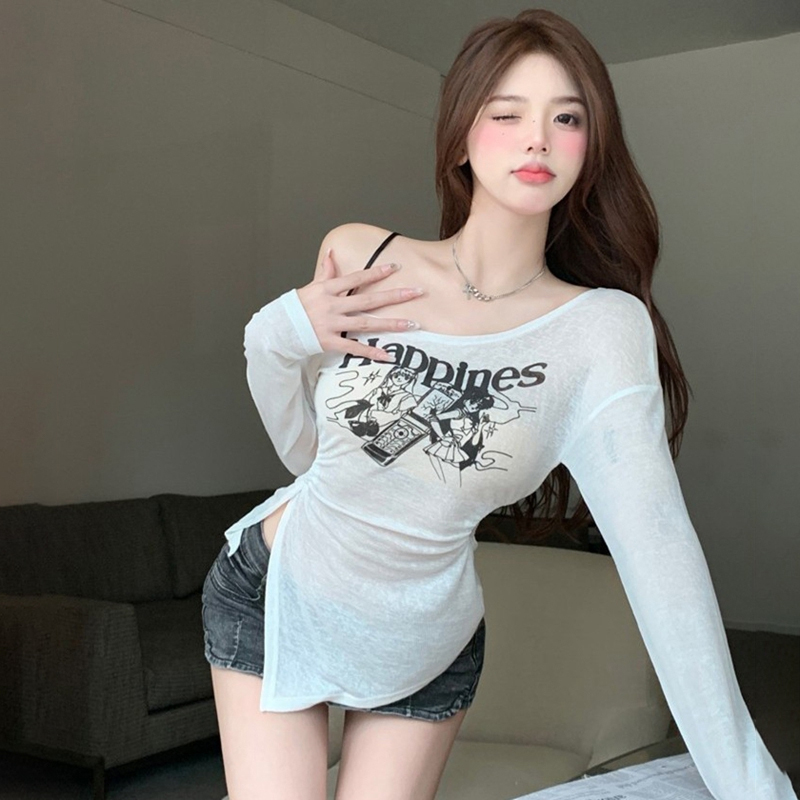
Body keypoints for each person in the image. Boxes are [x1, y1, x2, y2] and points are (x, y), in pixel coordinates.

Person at [201, 8, 797, 800]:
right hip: (279, 589)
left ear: (590, 148)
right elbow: (313, 459)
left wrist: (754, 786)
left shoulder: (599, 332)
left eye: (567, 118)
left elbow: (662, 562)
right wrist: (277, 335)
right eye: (507, 113)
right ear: (460, 138)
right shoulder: (364, 256)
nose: (537, 140)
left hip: (426, 643)